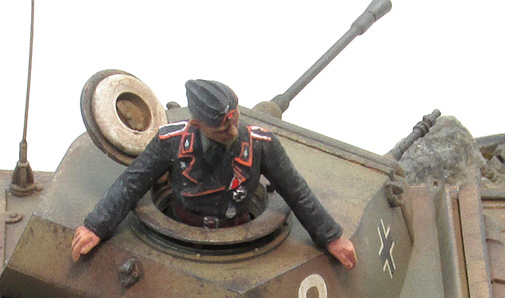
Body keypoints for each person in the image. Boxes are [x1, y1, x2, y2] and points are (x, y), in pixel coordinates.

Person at [71, 79, 357, 267]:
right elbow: (133, 182)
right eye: (222, 128)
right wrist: (96, 226)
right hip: (179, 235)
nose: (232, 132)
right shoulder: (171, 142)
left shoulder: (262, 145)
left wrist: (331, 237)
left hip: (238, 242)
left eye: (234, 122)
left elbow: (296, 191)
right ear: (197, 124)